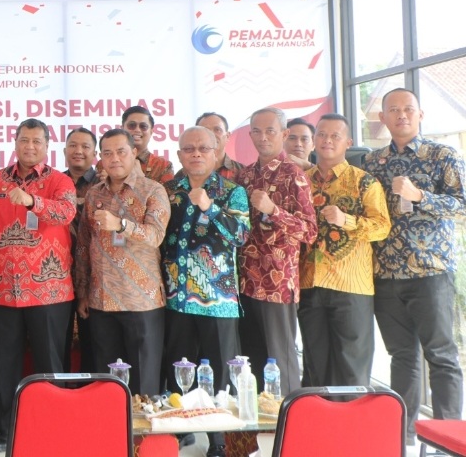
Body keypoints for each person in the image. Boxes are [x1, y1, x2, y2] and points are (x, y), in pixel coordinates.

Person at [364, 88, 466, 442]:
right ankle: (403, 438)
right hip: (385, 273)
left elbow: (462, 205)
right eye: (393, 109)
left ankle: (448, 440)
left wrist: (420, 196)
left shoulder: (441, 155)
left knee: (441, 355)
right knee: (401, 357)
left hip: (430, 272)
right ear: (383, 118)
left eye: (408, 109)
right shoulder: (372, 162)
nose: (401, 115)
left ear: (420, 114)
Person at [0, 118, 76, 453]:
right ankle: (6, 429)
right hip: (1, 288)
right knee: (4, 363)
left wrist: (33, 202)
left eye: (36, 141)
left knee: (49, 363)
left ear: (47, 146)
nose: (29, 146)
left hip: (49, 290)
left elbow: (66, 213)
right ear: (15, 142)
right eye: (24, 140)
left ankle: (52, 426)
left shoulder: (59, 180)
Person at [162, 126, 249, 457]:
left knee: (219, 374)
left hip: (218, 301)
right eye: (189, 149)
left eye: (203, 148)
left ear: (216, 153)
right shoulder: (169, 192)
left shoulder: (232, 192)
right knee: (178, 368)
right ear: (179, 154)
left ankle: (218, 441)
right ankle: (180, 431)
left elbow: (240, 236)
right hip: (177, 298)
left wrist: (210, 208)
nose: (196, 153)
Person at [299, 114, 390, 388]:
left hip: (351, 285)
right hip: (309, 281)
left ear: (348, 142)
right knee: (315, 367)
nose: (327, 140)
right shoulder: (301, 182)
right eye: (321, 134)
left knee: (352, 367)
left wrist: (346, 220)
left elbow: (382, 227)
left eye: (335, 136)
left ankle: (352, 417)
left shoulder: (364, 182)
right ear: (314, 140)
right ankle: (318, 416)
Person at [75, 128, 169, 395]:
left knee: (143, 382)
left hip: (140, 299)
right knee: (107, 381)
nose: (114, 158)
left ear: (134, 152)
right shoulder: (94, 194)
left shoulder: (153, 190)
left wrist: (121, 225)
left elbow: (155, 236)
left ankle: (141, 424)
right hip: (101, 299)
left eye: (120, 152)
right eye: (107, 153)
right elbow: (83, 245)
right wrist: (82, 291)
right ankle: (110, 421)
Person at [236, 107, 317, 397]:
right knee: (251, 362)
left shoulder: (294, 175)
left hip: (277, 285)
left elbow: (309, 231)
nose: (263, 137)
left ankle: (291, 421)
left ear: (283, 134)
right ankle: (258, 423)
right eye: (257, 131)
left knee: (280, 362)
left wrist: (274, 211)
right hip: (245, 281)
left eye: (270, 131)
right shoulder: (245, 176)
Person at [62, 128, 98, 371]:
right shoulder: (54, 183)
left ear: (95, 154)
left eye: (85, 147)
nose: (78, 151)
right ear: (64, 151)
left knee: (94, 342)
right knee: (58, 340)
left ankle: (93, 389)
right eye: (73, 146)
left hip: (95, 273)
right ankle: (61, 390)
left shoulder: (104, 183)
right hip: (59, 274)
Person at [119, 106, 174, 184]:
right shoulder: (108, 163)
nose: (137, 130)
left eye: (143, 126)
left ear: (151, 131)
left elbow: (166, 192)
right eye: (132, 125)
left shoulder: (163, 166)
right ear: (122, 129)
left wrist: (141, 179)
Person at [195, 112, 244, 182]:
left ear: (227, 136)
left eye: (217, 129)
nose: (211, 135)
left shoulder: (243, 173)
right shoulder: (186, 174)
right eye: (205, 130)